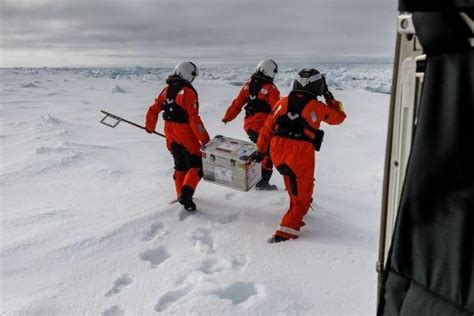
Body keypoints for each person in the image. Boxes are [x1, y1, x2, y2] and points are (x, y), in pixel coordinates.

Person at [256, 68, 346, 243]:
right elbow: (339, 117)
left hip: (277, 150)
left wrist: (260, 151)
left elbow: (266, 130)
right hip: (300, 152)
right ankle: (286, 231)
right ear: (317, 86)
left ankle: (295, 209)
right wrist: (329, 97)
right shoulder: (316, 107)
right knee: (303, 195)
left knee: (292, 183)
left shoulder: (281, 103)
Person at [145, 61, 210, 211]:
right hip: (185, 134)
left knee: (180, 164)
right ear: (188, 74)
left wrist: (150, 127)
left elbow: (153, 110)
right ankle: (186, 195)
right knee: (197, 164)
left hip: (170, 133)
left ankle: (180, 194)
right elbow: (194, 119)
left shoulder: (166, 90)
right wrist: (205, 140)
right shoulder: (188, 92)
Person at [222, 59, 281, 190]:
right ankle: (261, 183)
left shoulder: (247, 86)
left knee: (261, 151)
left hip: (249, 126)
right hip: (264, 127)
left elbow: (237, 104)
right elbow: (277, 110)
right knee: (267, 153)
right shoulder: (271, 89)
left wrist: (227, 117)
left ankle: (255, 176)